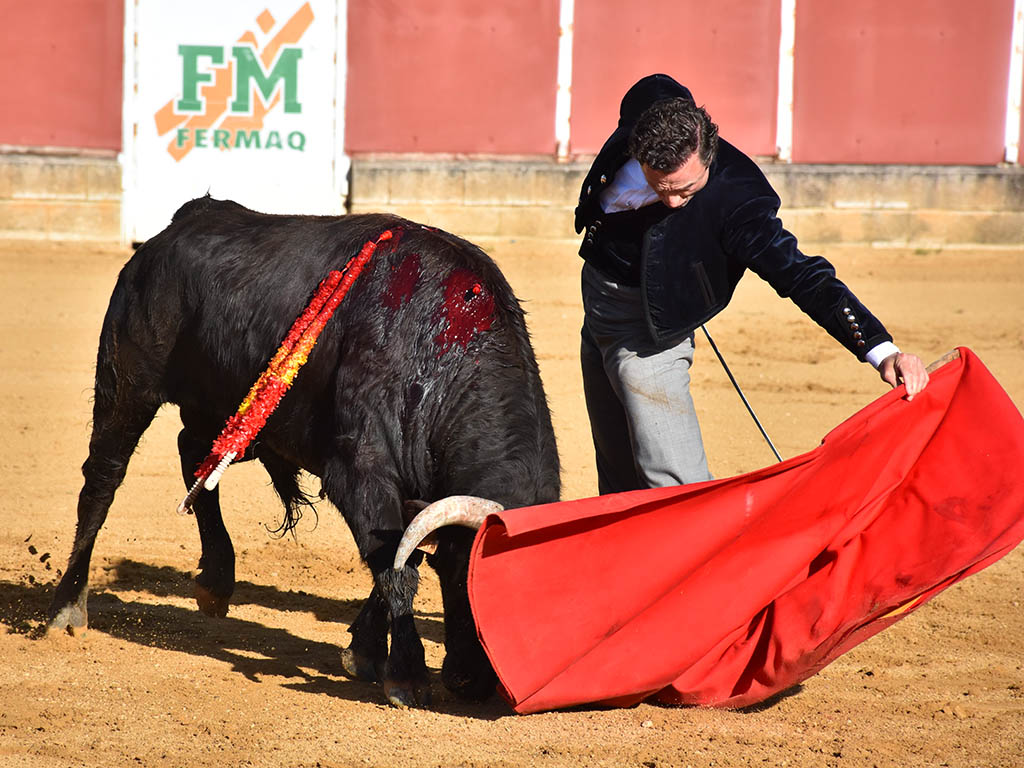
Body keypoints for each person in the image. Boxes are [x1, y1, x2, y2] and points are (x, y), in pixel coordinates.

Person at [575, 74, 929, 494]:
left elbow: (803, 275)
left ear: (705, 151)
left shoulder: (738, 201)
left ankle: (707, 557)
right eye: (660, 187)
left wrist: (880, 348)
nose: (672, 202)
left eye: (686, 190)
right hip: (597, 307)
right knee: (615, 476)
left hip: (652, 333)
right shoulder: (647, 107)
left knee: (673, 483)